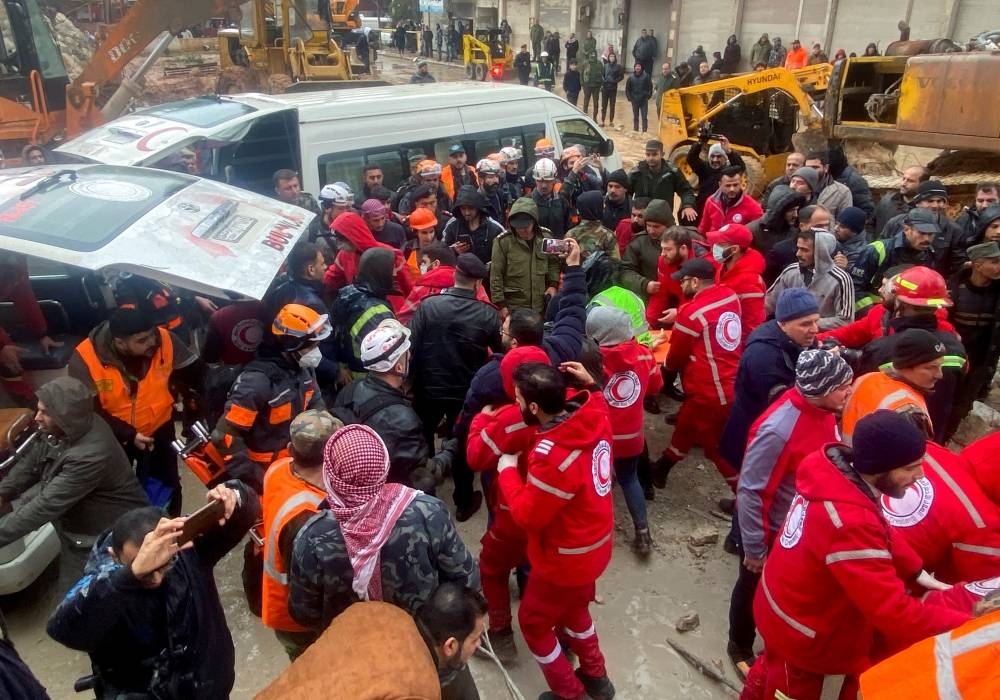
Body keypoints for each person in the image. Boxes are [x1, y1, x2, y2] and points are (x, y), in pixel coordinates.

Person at [742, 411, 970, 700]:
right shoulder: (850, 524)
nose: (920, 475)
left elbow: (880, 525)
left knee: (769, 667)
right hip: (808, 640)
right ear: (880, 467)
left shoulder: (831, 476)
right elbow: (894, 613)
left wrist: (914, 570)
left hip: (781, 610)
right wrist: (967, 623)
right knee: (789, 689)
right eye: (911, 467)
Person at [47, 482, 260, 700]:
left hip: (206, 690)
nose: (155, 577)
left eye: (162, 566)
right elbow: (63, 629)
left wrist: (233, 495)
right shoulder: (101, 584)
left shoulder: (183, 549)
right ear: (114, 556)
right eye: (144, 567)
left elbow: (244, 515)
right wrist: (130, 575)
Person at [728, 350, 853, 676]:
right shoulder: (779, 428)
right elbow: (750, 489)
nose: (849, 392)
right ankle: (739, 643)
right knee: (751, 583)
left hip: (793, 523)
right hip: (768, 528)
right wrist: (754, 546)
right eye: (843, 387)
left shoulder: (823, 409)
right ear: (823, 389)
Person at [497, 361, 616, 700]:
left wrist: (507, 471)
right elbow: (599, 401)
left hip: (565, 559)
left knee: (533, 622)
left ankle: (569, 692)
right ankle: (597, 676)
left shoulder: (553, 455)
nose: (516, 403)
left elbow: (528, 516)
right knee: (576, 609)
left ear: (534, 407)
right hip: (595, 546)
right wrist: (592, 384)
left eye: (518, 398)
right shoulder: (595, 416)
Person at [287, 424, 479, 632]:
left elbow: (304, 614)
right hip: (424, 646)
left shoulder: (311, 538)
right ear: (384, 465)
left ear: (330, 474)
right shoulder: (427, 512)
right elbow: (466, 579)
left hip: (353, 650)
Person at [0, 377, 147, 586]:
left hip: (106, 538)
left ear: (65, 416)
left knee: (77, 605)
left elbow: (44, 506)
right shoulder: (71, 427)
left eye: (45, 412)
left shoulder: (90, 455)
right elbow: (32, 459)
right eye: (39, 409)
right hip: (79, 530)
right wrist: (3, 491)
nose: (37, 418)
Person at [70, 308, 202, 515]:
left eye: (152, 335)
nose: (152, 342)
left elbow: (196, 375)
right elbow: (88, 412)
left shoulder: (165, 340)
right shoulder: (85, 358)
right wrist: (128, 434)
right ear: (120, 343)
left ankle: (168, 530)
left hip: (159, 428)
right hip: (112, 437)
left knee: (167, 485)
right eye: (142, 340)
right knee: (115, 492)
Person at [409, 253, 501, 511]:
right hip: (467, 391)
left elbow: (412, 348)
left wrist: (411, 384)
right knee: (460, 440)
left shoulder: (428, 306)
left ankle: (424, 496)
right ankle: (463, 500)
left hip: (428, 388)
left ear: (455, 275)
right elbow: (500, 354)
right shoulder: (488, 315)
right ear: (477, 283)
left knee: (423, 438)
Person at [211, 304, 327, 494]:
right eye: (312, 345)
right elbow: (225, 437)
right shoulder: (256, 381)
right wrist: (254, 479)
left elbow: (316, 405)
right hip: (264, 474)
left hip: (299, 468)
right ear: (293, 345)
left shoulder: (302, 369)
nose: (316, 351)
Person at [656, 258, 743, 490]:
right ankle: (663, 466)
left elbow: (675, 359)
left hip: (709, 388)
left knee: (714, 446)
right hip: (729, 380)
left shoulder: (693, 314)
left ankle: (743, 495)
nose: (680, 286)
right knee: (686, 424)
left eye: (683, 281)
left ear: (695, 281)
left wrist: (662, 375)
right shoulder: (729, 295)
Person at [260, 409, 341, 660]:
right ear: (331, 457)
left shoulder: (278, 468)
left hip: (278, 603)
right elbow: (313, 590)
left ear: (290, 449)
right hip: (297, 621)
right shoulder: (307, 518)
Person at [720, 288, 820, 475]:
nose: (815, 329)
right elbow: (783, 403)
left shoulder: (801, 338)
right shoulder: (762, 355)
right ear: (782, 324)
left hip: (775, 430)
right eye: (806, 324)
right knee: (755, 479)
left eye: (816, 321)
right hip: (755, 430)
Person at [587, 306, 661, 554]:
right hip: (632, 436)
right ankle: (643, 532)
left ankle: (598, 535)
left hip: (600, 437)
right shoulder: (644, 355)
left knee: (599, 483)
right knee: (630, 479)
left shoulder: (590, 358)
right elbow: (655, 386)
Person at [839, 327, 948, 442]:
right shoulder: (908, 413)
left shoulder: (866, 378)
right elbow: (916, 458)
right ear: (906, 365)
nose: (939, 375)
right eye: (931, 368)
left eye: (940, 366)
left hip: (846, 455)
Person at [947, 241, 1000, 436]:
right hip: (954, 359)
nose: (998, 267)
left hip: (981, 361)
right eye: (994, 262)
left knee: (962, 407)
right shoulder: (954, 288)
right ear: (977, 265)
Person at [330, 248, 399, 380]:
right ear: (380, 272)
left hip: (351, 374)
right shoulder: (377, 312)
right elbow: (391, 356)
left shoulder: (349, 293)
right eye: (392, 268)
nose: (396, 273)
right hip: (373, 380)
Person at [765, 229, 855, 329]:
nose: (798, 254)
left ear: (821, 252)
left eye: (804, 250)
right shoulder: (791, 272)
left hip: (823, 339)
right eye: (798, 248)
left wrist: (806, 323)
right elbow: (768, 303)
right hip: (787, 336)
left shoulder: (840, 279)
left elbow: (845, 321)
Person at [324, 211, 414, 310]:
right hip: (362, 307)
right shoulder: (344, 255)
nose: (339, 244)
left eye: (342, 239)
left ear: (353, 236)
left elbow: (407, 285)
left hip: (393, 309)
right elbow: (331, 278)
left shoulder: (389, 255)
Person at [490, 197, 561, 315]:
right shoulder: (502, 242)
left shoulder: (546, 237)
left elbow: (553, 263)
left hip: (541, 305)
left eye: (525, 227)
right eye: (518, 227)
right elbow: (496, 275)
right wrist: (501, 305)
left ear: (534, 221)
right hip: (515, 307)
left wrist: (553, 285)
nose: (522, 231)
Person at [856, 208, 939, 301]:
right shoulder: (877, 250)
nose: (927, 239)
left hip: (906, 311)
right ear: (906, 229)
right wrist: (871, 311)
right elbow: (855, 288)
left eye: (931, 234)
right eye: (922, 233)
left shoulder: (929, 254)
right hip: (874, 309)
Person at [711, 223, 767, 339]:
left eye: (719, 244)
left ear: (734, 249)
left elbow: (753, 324)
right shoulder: (724, 268)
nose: (714, 247)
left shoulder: (749, 282)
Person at [627, 139, 697, 223]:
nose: (650, 158)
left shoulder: (672, 172)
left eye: (654, 154)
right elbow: (626, 193)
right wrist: (632, 209)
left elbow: (686, 191)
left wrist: (688, 205)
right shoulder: (637, 172)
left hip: (663, 218)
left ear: (662, 154)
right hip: (641, 218)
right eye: (648, 155)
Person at [620, 199, 675, 302]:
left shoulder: (684, 239)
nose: (651, 230)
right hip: (650, 299)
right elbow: (625, 271)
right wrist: (644, 284)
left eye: (656, 226)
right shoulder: (639, 243)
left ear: (668, 224)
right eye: (648, 225)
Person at [688, 135, 747, 220]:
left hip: (722, 212)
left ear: (725, 158)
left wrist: (729, 151)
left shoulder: (728, 171)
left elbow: (740, 167)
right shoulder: (703, 168)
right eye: (712, 156)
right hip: (703, 211)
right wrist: (700, 143)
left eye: (719, 156)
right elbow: (691, 159)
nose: (715, 159)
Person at [443, 185, 505, 265]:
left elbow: (505, 256)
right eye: (463, 208)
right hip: (460, 275)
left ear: (478, 208)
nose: (467, 213)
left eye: (471, 208)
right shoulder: (452, 226)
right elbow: (442, 253)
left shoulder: (494, 228)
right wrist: (453, 251)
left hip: (487, 275)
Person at [699, 165, 763, 233]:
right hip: (713, 241)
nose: (732, 189)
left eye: (735, 185)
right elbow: (703, 228)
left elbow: (760, 231)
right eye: (728, 185)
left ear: (741, 183)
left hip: (738, 243)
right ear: (720, 185)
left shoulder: (752, 206)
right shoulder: (711, 202)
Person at [749, 186, 806, 262]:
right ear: (779, 211)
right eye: (791, 210)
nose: (795, 215)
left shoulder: (797, 229)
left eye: (796, 209)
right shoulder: (753, 231)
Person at [565, 190, 621, 262]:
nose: (604, 206)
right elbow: (616, 264)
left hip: (575, 272)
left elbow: (564, 261)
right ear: (595, 208)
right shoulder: (608, 235)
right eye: (601, 204)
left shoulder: (570, 234)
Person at [873, 165, 928, 236]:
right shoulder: (886, 201)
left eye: (910, 181)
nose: (903, 184)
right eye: (903, 179)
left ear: (922, 184)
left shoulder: (926, 208)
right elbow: (870, 224)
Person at [954, 181, 999, 247]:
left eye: (990, 201)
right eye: (980, 201)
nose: (984, 205)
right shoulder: (962, 221)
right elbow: (956, 250)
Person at [624, 62, 652, 133]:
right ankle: (636, 130)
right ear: (634, 68)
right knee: (635, 117)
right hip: (634, 100)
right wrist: (629, 98)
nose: (637, 68)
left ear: (641, 67)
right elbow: (627, 88)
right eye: (636, 66)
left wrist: (648, 96)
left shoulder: (646, 76)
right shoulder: (631, 77)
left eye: (639, 66)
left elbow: (650, 87)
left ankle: (644, 131)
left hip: (643, 100)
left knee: (644, 117)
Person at [599, 51, 624, 127]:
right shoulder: (605, 66)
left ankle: (611, 121)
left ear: (615, 58)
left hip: (613, 88)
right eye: (610, 56)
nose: (612, 58)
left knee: (612, 105)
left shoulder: (618, 67)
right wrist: (603, 82)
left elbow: (621, 76)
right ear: (608, 58)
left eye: (613, 56)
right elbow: (602, 75)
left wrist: (615, 81)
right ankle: (602, 121)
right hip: (605, 88)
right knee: (604, 105)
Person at [581, 49, 604, 120]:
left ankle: (595, 118)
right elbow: (581, 74)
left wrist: (601, 85)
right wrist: (583, 85)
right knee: (586, 102)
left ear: (596, 55)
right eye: (591, 54)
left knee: (596, 103)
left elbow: (603, 75)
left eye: (594, 54)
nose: (593, 55)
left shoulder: (599, 63)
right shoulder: (585, 63)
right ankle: (585, 117)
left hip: (596, 86)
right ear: (589, 55)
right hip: (587, 86)